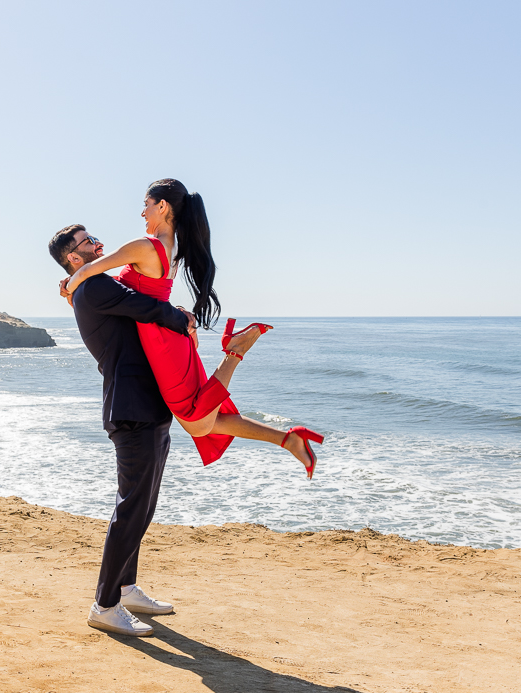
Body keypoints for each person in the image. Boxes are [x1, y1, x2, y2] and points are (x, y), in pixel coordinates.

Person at [61, 178, 323, 477]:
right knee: (205, 418)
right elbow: (133, 292)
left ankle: (235, 352)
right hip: (166, 334)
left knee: (197, 421)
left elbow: (90, 270)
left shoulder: (144, 246)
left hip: (161, 340)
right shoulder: (172, 245)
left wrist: (68, 285)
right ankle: (289, 439)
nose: (143, 213)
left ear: (162, 206)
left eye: (146, 206)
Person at [49, 223, 194, 637]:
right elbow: (146, 307)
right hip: (131, 409)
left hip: (145, 404)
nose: (96, 243)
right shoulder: (93, 287)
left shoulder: (90, 282)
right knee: (132, 506)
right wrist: (182, 316)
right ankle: (105, 604)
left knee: (143, 504)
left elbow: (138, 300)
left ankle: (126, 588)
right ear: (74, 258)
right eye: (86, 243)